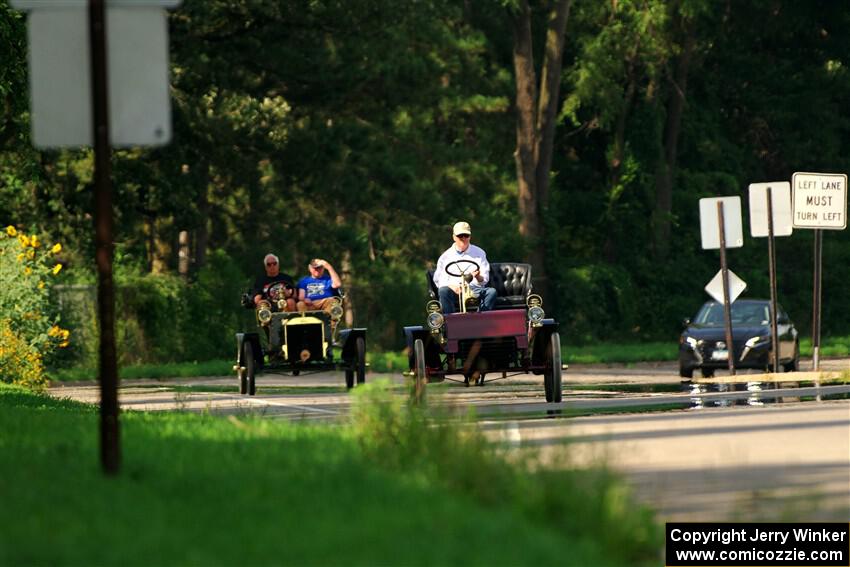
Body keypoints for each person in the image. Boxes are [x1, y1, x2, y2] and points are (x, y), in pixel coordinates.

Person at [433, 221, 497, 314]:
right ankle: (450, 323)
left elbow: (484, 279)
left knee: (491, 292)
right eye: (460, 236)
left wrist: (478, 276)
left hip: (473, 288)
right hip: (454, 290)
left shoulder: (479, 253)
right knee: (443, 291)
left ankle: (479, 320)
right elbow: (438, 279)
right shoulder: (445, 256)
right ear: (454, 237)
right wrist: (452, 286)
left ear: (470, 237)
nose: (463, 238)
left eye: (466, 235)